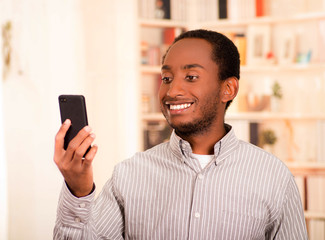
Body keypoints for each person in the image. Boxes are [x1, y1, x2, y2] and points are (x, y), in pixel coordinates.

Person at [53, 29, 307, 239]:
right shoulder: (129, 176)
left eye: (191, 76)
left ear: (228, 89)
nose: (173, 90)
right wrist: (79, 191)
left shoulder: (273, 177)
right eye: (166, 78)